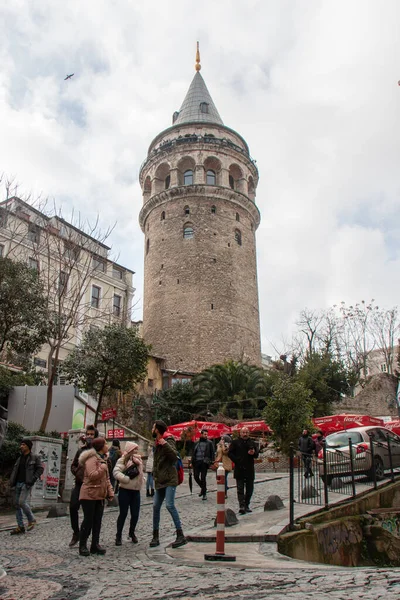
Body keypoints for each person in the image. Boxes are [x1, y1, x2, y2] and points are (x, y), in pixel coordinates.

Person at [150, 420, 187, 549]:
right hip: (160, 479)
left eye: (153, 427)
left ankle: (180, 534)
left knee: (169, 505)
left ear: (157, 430)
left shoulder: (168, 439)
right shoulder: (156, 442)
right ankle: (155, 535)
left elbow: (174, 457)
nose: (152, 429)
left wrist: (164, 444)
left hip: (170, 479)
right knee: (155, 506)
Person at [78, 437, 114, 556]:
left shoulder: (103, 458)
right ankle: (82, 545)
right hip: (89, 494)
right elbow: (92, 475)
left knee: (97, 521)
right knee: (88, 520)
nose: (107, 445)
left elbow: (106, 479)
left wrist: (110, 491)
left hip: (100, 495)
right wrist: (103, 468)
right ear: (100, 446)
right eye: (105, 444)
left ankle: (95, 544)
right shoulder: (91, 459)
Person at [68, 424, 98, 547]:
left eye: (92, 434)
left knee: (88, 513)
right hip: (79, 484)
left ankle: (85, 536)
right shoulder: (81, 450)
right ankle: (76, 532)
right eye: (88, 434)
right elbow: (73, 465)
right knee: (72, 507)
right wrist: (78, 473)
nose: (89, 436)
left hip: (91, 486)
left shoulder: (97, 450)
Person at [9, 438, 44, 535]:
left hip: (26, 483)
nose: (21, 446)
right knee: (16, 504)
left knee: (21, 502)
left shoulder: (34, 457)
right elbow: (15, 471)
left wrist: (33, 479)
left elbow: (40, 469)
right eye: (21, 444)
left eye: (23, 444)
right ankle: (20, 526)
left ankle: (31, 519)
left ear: (28, 446)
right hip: (17, 483)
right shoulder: (19, 458)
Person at [113, 441, 144, 545]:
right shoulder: (123, 459)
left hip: (136, 491)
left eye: (137, 449)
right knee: (123, 513)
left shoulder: (138, 460)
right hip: (125, 490)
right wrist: (125, 479)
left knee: (135, 514)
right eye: (134, 449)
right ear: (130, 450)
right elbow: (116, 472)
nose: (136, 450)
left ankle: (132, 532)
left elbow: (140, 473)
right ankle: (118, 535)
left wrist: (141, 480)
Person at [228, 427, 259, 515]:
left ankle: (246, 504)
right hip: (239, 468)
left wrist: (253, 453)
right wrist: (237, 460)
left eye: (246, 432)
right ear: (240, 433)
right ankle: (241, 505)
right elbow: (230, 453)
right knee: (240, 488)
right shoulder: (235, 442)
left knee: (250, 489)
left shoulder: (252, 442)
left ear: (248, 433)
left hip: (249, 468)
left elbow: (257, 454)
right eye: (243, 432)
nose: (245, 434)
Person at [191, 429, 215, 500]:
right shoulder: (196, 443)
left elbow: (212, 453)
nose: (206, 436)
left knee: (203, 478)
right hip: (197, 462)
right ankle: (203, 488)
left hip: (204, 462)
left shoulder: (209, 443)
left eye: (207, 434)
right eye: (205, 434)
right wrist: (192, 461)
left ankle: (204, 493)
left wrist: (211, 461)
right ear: (201, 434)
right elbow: (193, 452)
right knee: (195, 476)